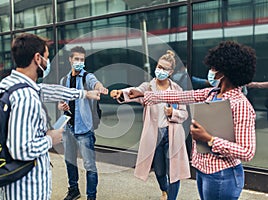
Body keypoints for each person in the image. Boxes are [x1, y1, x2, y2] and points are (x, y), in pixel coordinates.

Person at [128, 41, 257, 200]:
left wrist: (209, 139)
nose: (211, 71)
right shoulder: (212, 93)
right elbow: (180, 96)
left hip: (223, 174)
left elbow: (247, 151)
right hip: (204, 170)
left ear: (225, 72)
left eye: (214, 68)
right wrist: (144, 95)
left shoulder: (241, 105)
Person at [0, 33, 100, 200]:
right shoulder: (26, 97)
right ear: (38, 58)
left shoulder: (10, 84)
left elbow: (48, 90)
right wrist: (51, 138)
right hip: (26, 189)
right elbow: (21, 149)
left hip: (12, 185)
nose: (47, 62)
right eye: (46, 57)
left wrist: (84, 93)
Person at [110, 50, 190, 200]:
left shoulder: (177, 90)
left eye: (164, 69)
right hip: (155, 135)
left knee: (174, 172)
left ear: (171, 72)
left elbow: (184, 114)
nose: (160, 71)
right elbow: (135, 92)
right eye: (159, 67)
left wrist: (173, 113)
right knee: (159, 171)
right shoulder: (148, 87)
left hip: (172, 135)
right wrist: (120, 93)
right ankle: (164, 190)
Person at [58, 46, 108, 200]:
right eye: (76, 59)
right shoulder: (64, 80)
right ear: (70, 60)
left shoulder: (87, 77)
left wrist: (101, 88)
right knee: (70, 162)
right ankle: (74, 190)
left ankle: (91, 196)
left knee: (89, 165)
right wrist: (61, 106)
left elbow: (96, 84)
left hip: (84, 129)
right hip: (68, 127)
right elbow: (61, 100)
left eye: (82, 59)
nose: (79, 62)